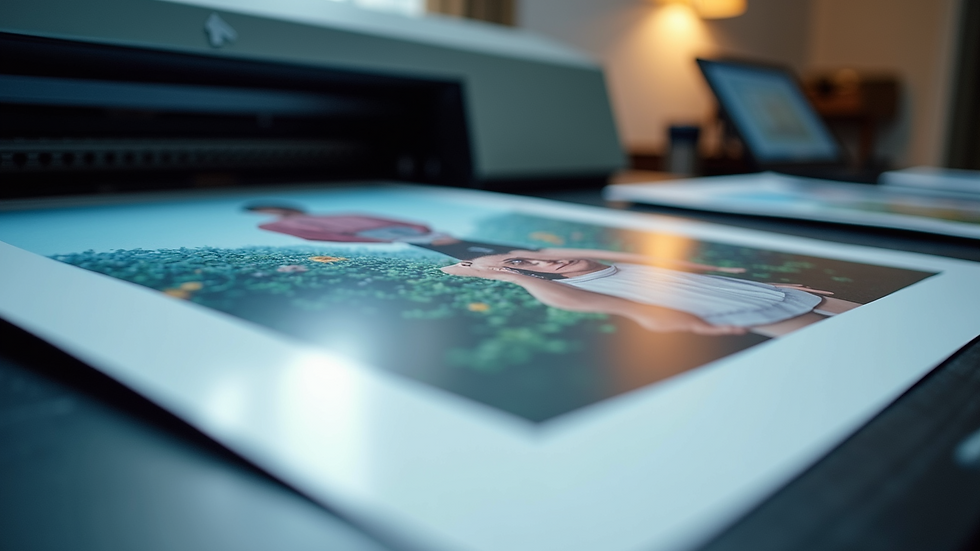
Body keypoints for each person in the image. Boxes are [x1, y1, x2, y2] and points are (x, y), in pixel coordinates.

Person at [440, 248, 859, 337]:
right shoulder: (583, 287)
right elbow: (560, 297)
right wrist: (500, 272)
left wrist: (770, 283)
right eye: (524, 267)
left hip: (760, 293)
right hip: (738, 311)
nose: (545, 264)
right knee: (832, 340)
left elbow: (684, 272)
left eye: (532, 256)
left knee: (850, 312)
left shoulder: (605, 265)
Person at [245, 205, 519, 259]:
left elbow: (378, 216)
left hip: (395, 230)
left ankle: (518, 256)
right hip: (389, 235)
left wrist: (422, 228)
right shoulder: (275, 225)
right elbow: (317, 236)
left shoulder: (339, 211)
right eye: (264, 211)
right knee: (456, 250)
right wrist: (381, 239)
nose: (271, 212)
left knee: (468, 244)